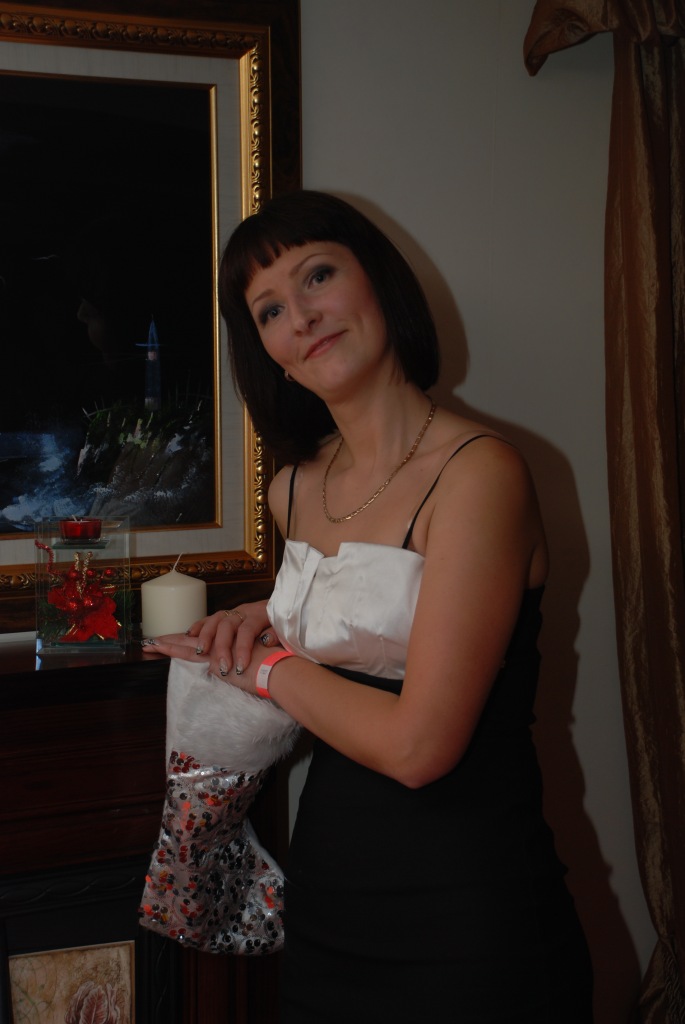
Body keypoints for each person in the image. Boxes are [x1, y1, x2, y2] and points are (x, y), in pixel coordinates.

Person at [144, 190, 593, 1022]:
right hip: (330, 897)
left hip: (469, 912)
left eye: (317, 276)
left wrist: (267, 668)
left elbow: (419, 746)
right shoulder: (292, 489)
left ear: (378, 282)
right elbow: (370, 621)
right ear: (268, 354)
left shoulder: (479, 472)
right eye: (269, 310)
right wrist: (270, 613)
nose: (301, 316)